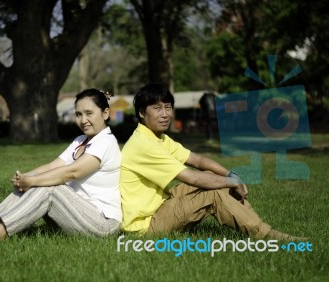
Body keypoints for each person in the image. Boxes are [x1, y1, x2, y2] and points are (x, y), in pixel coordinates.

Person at [119, 83, 306, 241]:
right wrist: (233, 182)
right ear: (142, 113)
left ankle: (255, 223)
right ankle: (266, 235)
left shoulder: (158, 138)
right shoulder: (143, 144)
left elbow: (197, 160)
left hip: (160, 205)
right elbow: (192, 178)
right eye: (157, 108)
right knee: (212, 194)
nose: (165, 114)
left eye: (168, 107)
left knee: (212, 177)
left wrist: (230, 175)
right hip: (145, 226)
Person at [0, 89, 122, 244]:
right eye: (78, 114)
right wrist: (25, 178)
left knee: (49, 186)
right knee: (37, 181)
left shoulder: (106, 142)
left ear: (105, 113)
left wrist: (33, 181)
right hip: (75, 215)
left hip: (102, 224)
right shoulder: (81, 140)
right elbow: (52, 166)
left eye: (89, 113)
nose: (83, 120)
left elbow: (72, 172)